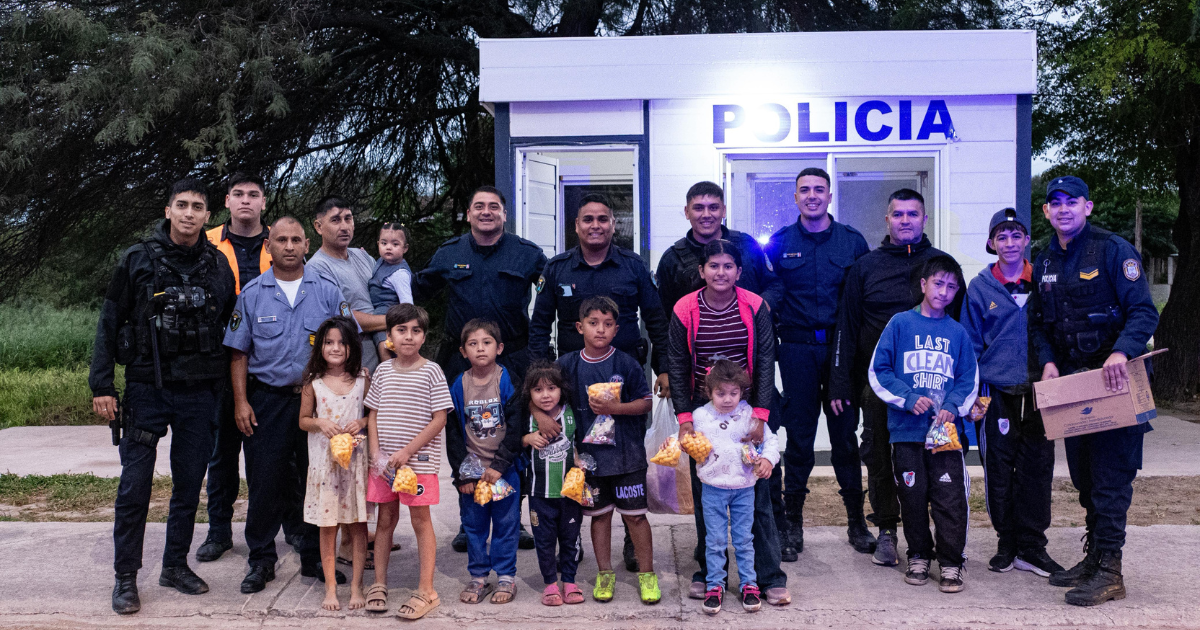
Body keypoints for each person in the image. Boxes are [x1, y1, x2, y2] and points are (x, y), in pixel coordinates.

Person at [91, 178, 236, 615]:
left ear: (208, 216)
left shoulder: (218, 265)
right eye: (182, 205)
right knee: (134, 487)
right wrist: (102, 386)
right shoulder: (137, 259)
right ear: (168, 210)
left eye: (197, 207)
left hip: (200, 391)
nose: (189, 213)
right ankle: (125, 578)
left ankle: (174, 565)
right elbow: (109, 321)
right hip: (146, 388)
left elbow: (232, 330)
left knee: (189, 485)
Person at [1029, 176, 1159, 607]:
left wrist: (1122, 352)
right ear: (1046, 211)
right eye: (1055, 204)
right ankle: (1095, 557)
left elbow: (1143, 311)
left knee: (1110, 479)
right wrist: (1047, 361)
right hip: (1072, 386)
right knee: (1084, 478)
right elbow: (1038, 324)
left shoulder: (1112, 249)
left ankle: (1111, 572)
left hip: (1116, 383)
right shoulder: (1043, 258)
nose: (1063, 209)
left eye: (1072, 202)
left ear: (1086, 206)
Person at [533, 193, 671, 571]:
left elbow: (657, 320)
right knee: (576, 453)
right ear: (576, 226)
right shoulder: (558, 268)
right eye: (588, 219)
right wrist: (542, 380)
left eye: (603, 219)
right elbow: (539, 325)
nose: (596, 225)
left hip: (624, 377)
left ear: (613, 225)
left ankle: (630, 532)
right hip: (572, 378)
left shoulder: (632, 266)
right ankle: (573, 530)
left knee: (627, 452)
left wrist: (662, 367)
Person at [829, 188, 961, 568]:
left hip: (934, 389)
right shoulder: (866, 267)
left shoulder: (943, 266)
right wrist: (840, 380)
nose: (906, 220)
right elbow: (847, 328)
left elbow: (962, 327)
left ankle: (938, 539)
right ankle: (887, 529)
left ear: (924, 219)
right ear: (887, 220)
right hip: (880, 386)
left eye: (913, 214)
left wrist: (965, 391)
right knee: (879, 456)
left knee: (936, 461)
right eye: (898, 214)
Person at [413, 185, 547, 552]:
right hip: (461, 362)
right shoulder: (449, 253)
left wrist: (541, 354)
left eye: (493, 207)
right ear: (469, 214)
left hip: (514, 358)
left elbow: (550, 298)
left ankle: (511, 515)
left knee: (512, 433)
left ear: (505, 214)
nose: (486, 212)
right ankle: (469, 515)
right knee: (464, 434)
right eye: (478, 207)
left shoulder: (529, 256)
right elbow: (415, 293)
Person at [222, 216, 349, 595]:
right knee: (265, 481)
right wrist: (241, 402)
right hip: (269, 400)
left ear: (307, 245)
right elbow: (238, 354)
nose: (289, 246)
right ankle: (261, 559)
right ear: (269, 246)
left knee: (317, 478)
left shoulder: (326, 289)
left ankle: (314, 556)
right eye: (281, 240)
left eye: (296, 239)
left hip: (318, 401)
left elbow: (348, 343)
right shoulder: (252, 294)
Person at [666, 239, 790, 606]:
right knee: (709, 492)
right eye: (714, 266)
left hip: (749, 408)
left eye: (728, 266)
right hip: (702, 409)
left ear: (739, 271)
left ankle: (768, 576)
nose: (721, 272)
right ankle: (709, 574)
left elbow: (766, 361)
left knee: (760, 494)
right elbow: (676, 362)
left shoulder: (755, 306)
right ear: (702, 271)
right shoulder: (684, 308)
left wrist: (761, 416)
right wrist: (685, 418)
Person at [762, 168, 873, 558]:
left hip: (842, 353)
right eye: (804, 190)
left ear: (829, 196)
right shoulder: (779, 243)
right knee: (801, 441)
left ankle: (856, 522)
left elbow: (862, 302)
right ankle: (793, 524)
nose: (812, 196)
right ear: (795, 197)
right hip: (795, 351)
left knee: (844, 438)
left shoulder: (853, 242)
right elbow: (767, 295)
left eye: (819, 190)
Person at [868, 255, 978, 593]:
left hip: (945, 436)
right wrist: (907, 397)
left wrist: (954, 406)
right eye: (938, 283)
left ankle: (950, 562)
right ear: (923, 285)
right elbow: (878, 371)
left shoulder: (957, 332)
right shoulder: (900, 324)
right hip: (907, 433)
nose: (944, 291)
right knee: (912, 498)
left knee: (949, 498)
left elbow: (968, 379)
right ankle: (918, 554)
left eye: (951, 286)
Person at [198, 171, 293, 564]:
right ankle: (218, 531)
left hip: (271, 364)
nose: (246, 201)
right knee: (222, 453)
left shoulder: (281, 242)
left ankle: (291, 528)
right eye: (238, 194)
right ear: (226, 201)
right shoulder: (207, 244)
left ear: (264, 202)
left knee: (277, 456)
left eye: (254, 195)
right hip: (221, 362)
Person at [962, 208, 1062, 577]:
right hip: (996, 391)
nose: (1009, 242)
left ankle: (1032, 547)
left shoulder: (1044, 280)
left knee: (1038, 468)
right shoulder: (980, 287)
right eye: (1001, 237)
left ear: (1025, 240)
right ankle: (1007, 542)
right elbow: (970, 343)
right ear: (991, 244)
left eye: (1015, 235)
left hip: (1039, 391)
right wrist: (972, 392)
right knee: (999, 471)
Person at [555, 296, 659, 605]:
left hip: (627, 458)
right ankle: (605, 574)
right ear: (579, 327)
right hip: (590, 461)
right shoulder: (567, 365)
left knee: (636, 519)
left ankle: (647, 575)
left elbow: (646, 402)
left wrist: (617, 407)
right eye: (593, 323)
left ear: (616, 329)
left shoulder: (626, 362)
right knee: (599, 518)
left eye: (608, 324)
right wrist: (542, 419)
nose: (601, 330)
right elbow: (546, 396)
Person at [363, 303, 453, 620]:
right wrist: (376, 453)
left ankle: (427, 590)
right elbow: (372, 415)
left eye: (416, 331)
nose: (409, 337)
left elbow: (439, 419)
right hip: (385, 466)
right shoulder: (383, 371)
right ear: (389, 337)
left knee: (420, 520)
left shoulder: (432, 371)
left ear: (424, 337)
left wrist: (406, 452)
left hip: (418, 464)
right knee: (385, 521)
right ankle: (378, 583)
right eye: (401, 330)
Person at [692, 359, 780, 616]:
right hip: (713, 488)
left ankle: (749, 584)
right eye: (721, 393)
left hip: (744, 488)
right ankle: (714, 585)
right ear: (709, 392)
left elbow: (770, 441)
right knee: (715, 540)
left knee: (744, 539)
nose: (728, 399)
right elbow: (684, 440)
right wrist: (674, 445)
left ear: (742, 392)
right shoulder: (700, 416)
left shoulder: (750, 414)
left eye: (734, 393)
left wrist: (767, 459)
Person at [446, 320, 523, 605]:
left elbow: (516, 426)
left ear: (499, 348)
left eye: (487, 342)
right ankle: (479, 576)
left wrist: (500, 465)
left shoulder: (506, 379)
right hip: (474, 474)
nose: (480, 348)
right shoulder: (459, 383)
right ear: (463, 351)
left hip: (504, 471)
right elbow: (453, 431)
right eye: (473, 343)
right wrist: (462, 476)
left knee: (506, 523)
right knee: (474, 526)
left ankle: (505, 576)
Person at [298, 317, 371, 611]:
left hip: (354, 466)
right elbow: (303, 421)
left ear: (352, 346)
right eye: (329, 342)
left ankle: (356, 586)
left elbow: (372, 416)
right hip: (324, 467)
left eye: (342, 342)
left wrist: (362, 421)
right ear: (320, 347)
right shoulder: (312, 383)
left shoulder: (363, 380)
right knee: (328, 528)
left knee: (357, 526)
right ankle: (330, 587)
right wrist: (320, 422)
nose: (336, 348)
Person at [519, 361, 585, 606]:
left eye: (551, 389)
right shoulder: (527, 417)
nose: (545, 395)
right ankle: (549, 584)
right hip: (539, 493)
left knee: (570, 539)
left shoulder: (571, 413)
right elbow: (513, 440)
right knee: (544, 542)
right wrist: (527, 438)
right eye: (537, 390)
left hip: (570, 494)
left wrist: (581, 460)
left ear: (561, 389)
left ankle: (569, 581)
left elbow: (583, 442)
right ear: (529, 394)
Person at [307, 196, 385, 372]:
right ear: (318, 227)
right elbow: (341, 317)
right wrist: (394, 320)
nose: (344, 227)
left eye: (348, 218)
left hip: (385, 354)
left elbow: (385, 293)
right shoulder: (317, 268)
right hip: (353, 362)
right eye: (335, 220)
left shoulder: (362, 256)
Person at [368, 222, 413, 360]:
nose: (388, 247)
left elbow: (407, 304)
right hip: (377, 310)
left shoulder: (399, 274)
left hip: (389, 313)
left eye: (395, 244)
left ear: (405, 248)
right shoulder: (381, 261)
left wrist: (400, 325)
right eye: (384, 243)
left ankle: (389, 373)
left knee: (384, 345)